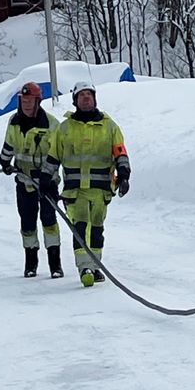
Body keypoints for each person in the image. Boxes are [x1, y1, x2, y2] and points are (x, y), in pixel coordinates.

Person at [42, 81, 130, 288]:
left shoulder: (109, 126)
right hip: (75, 190)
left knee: (97, 228)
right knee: (80, 227)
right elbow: (53, 156)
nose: (86, 98)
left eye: (89, 95)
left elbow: (120, 153)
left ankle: (95, 265)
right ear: (75, 100)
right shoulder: (64, 129)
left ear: (95, 98)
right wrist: (46, 180)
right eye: (82, 96)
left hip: (101, 190)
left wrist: (124, 175)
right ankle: (84, 268)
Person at [0, 82, 63, 279]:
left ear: (38, 101)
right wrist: (4, 161)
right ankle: (31, 262)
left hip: (47, 183)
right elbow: (9, 143)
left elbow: (57, 153)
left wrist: (46, 176)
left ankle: (55, 264)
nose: (26, 104)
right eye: (23, 101)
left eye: (30, 101)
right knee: (27, 223)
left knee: (49, 221)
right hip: (24, 181)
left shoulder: (52, 125)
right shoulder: (14, 122)